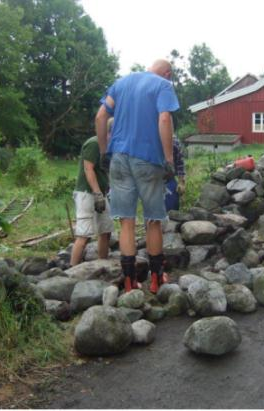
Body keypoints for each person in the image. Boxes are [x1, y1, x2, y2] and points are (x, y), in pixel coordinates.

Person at [95, 59, 179, 293]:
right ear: (167, 73)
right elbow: (164, 119)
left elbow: (100, 117)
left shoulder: (121, 83)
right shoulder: (163, 85)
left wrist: (104, 152)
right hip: (148, 159)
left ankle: (130, 283)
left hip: (119, 157)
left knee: (126, 222)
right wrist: (169, 158)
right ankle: (156, 278)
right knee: (153, 220)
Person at [70, 135, 114, 266]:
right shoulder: (94, 144)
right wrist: (97, 193)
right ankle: (72, 269)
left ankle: (103, 264)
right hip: (87, 193)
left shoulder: (108, 147)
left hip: (101, 192)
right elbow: (88, 168)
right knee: (84, 235)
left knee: (106, 230)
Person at [164, 135, 186, 211]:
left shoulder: (174, 142)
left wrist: (181, 182)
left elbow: (180, 163)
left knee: (171, 210)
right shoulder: (148, 139)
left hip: (169, 179)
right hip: (152, 181)